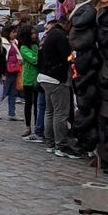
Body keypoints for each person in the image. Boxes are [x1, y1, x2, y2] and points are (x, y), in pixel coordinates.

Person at [37, 18, 76, 158]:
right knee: (60, 113)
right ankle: (61, 145)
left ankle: (50, 143)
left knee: (50, 111)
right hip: (56, 78)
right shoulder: (60, 36)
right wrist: (73, 57)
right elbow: (67, 57)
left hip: (44, 77)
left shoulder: (48, 37)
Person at [17, 23, 42, 141]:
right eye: (32, 33)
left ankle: (38, 126)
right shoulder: (23, 48)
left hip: (38, 77)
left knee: (38, 104)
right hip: (29, 78)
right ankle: (28, 126)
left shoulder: (36, 46)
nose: (34, 35)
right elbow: (34, 59)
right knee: (28, 104)